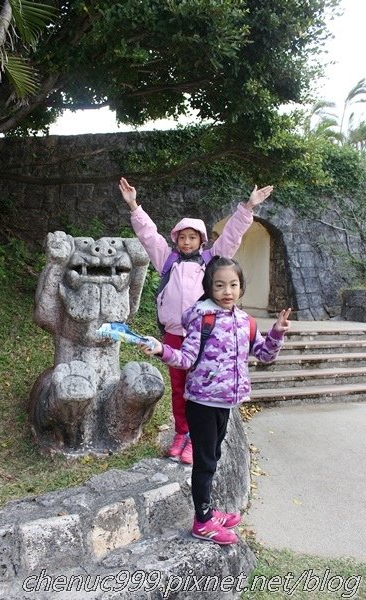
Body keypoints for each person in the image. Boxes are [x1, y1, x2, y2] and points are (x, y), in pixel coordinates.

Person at [119, 176, 273, 465]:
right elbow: (149, 235)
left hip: (206, 336)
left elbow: (231, 236)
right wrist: (134, 206)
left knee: (198, 391)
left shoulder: (210, 261)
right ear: (175, 239)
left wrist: (248, 207)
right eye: (182, 237)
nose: (186, 241)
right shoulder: (167, 260)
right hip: (174, 336)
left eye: (192, 237)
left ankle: (195, 438)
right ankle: (181, 432)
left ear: (201, 241)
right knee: (179, 388)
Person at [139, 256, 291, 545]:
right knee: (205, 463)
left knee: (214, 458)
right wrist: (161, 349)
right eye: (219, 285)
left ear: (241, 287)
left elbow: (265, 355)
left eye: (233, 285)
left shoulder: (246, 321)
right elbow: (185, 359)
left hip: (226, 404)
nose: (227, 291)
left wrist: (276, 334)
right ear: (208, 287)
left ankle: (208, 510)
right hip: (202, 403)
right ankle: (202, 522)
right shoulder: (202, 318)